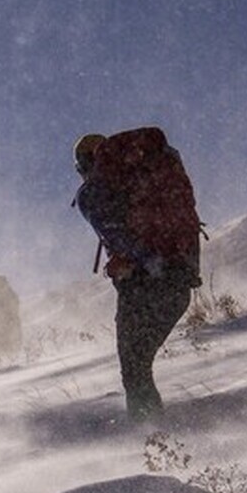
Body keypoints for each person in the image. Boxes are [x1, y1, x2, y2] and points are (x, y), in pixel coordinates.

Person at [73, 128, 202, 420]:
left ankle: (150, 439)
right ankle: (156, 437)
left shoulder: (93, 192)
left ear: (84, 165)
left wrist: (143, 263)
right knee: (140, 364)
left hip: (143, 286)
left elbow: (120, 236)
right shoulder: (147, 176)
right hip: (179, 280)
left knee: (134, 367)